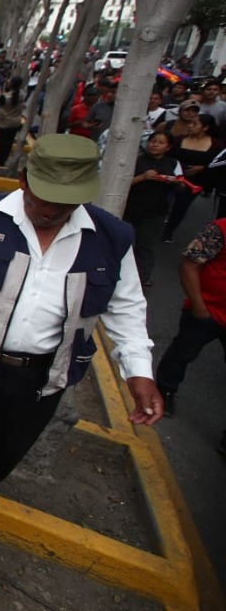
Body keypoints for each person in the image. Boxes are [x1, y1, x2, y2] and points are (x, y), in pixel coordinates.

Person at [0, 134, 163, 581]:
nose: (48, 211)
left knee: (4, 451)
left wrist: (138, 370)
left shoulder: (111, 238)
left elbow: (126, 307)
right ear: (23, 180)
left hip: (42, 376)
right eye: (42, 198)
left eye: (61, 204)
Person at [155, 219, 226, 430]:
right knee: (183, 352)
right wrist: (199, 307)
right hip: (208, 311)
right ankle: (164, 392)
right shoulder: (220, 229)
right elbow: (189, 264)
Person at [123, 130, 183, 285]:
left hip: (156, 212)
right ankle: (118, 274)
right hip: (130, 209)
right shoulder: (136, 161)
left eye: (160, 142)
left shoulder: (173, 164)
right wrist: (142, 177)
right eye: (153, 141)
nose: (155, 145)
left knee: (145, 245)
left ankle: (142, 278)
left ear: (168, 147)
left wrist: (174, 182)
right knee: (123, 242)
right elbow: (121, 183)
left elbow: (182, 186)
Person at [163, 113, 222, 242]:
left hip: (195, 182)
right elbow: (167, 157)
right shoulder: (178, 140)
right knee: (164, 203)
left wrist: (202, 168)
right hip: (172, 179)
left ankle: (168, 231)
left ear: (205, 127)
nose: (190, 126)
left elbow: (218, 164)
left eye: (195, 124)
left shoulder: (216, 145)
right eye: (190, 123)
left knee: (180, 207)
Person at [0, 76, 25, 164]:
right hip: (15, 123)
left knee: (1, 141)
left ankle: (0, 159)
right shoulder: (22, 95)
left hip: (3, 123)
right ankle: (4, 158)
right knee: (9, 142)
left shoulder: (5, 97)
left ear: (11, 84)